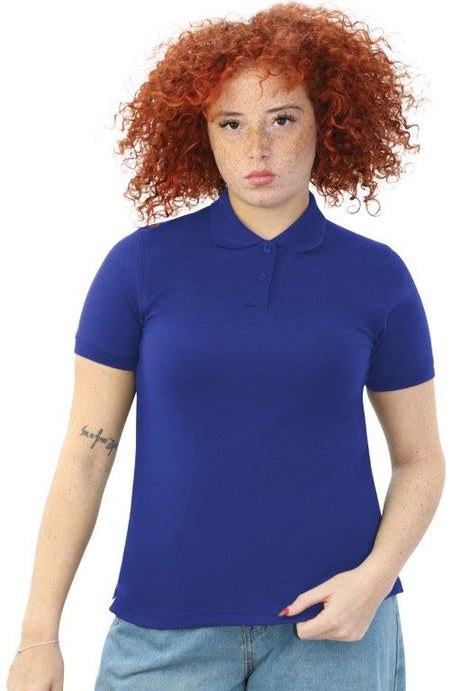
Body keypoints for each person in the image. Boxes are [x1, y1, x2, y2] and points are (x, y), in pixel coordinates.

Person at [7, 2, 445, 690]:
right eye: (231, 123)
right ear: (201, 132)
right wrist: (38, 635)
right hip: (164, 631)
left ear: (327, 121)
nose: (256, 148)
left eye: (283, 119)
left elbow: (420, 459)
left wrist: (374, 579)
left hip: (335, 630)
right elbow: (87, 455)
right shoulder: (140, 266)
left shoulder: (377, 276)